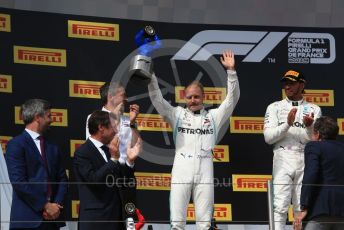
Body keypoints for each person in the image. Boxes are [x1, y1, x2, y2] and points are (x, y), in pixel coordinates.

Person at [148, 50, 240, 229]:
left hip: (205, 169)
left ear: (203, 98)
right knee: (177, 222)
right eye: (189, 97)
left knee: (205, 224)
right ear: (184, 98)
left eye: (196, 96)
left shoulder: (214, 116)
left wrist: (231, 72)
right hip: (181, 168)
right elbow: (157, 99)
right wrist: (151, 75)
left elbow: (232, 100)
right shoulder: (176, 114)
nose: (193, 100)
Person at [263, 69, 322, 230]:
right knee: (280, 205)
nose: (287, 86)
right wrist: (287, 124)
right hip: (283, 156)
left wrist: (310, 127)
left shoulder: (314, 109)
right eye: (285, 83)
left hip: (305, 157)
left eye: (291, 83)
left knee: (301, 207)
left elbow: (315, 140)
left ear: (302, 84)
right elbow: (268, 138)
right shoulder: (274, 107)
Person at [5, 99, 68, 230]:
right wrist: (45, 206)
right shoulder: (16, 144)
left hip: (52, 221)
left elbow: (62, 179)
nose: (52, 120)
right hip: (27, 221)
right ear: (38, 117)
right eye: (49, 116)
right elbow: (19, 182)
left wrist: (56, 205)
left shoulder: (53, 147)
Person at [74, 110, 142, 230]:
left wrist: (130, 161)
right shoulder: (82, 153)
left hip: (116, 220)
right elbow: (94, 180)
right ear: (101, 127)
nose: (117, 131)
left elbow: (124, 182)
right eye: (113, 127)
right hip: (96, 221)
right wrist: (113, 160)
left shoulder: (110, 150)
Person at [293, 116, 344, 230]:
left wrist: (304, 207)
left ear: (318, 134)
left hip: (320, 210)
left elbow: (311, 174)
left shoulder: (314, 146)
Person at [85, 82, 140, 165]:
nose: (126, 99)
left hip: (126, 170)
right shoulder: (93, 118)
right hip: (105, 168)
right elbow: (94, 146)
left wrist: (132, 123)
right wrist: (114, 116)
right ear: (110, 97)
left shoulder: (128, 119)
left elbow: (136, 145)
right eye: (123, 95)